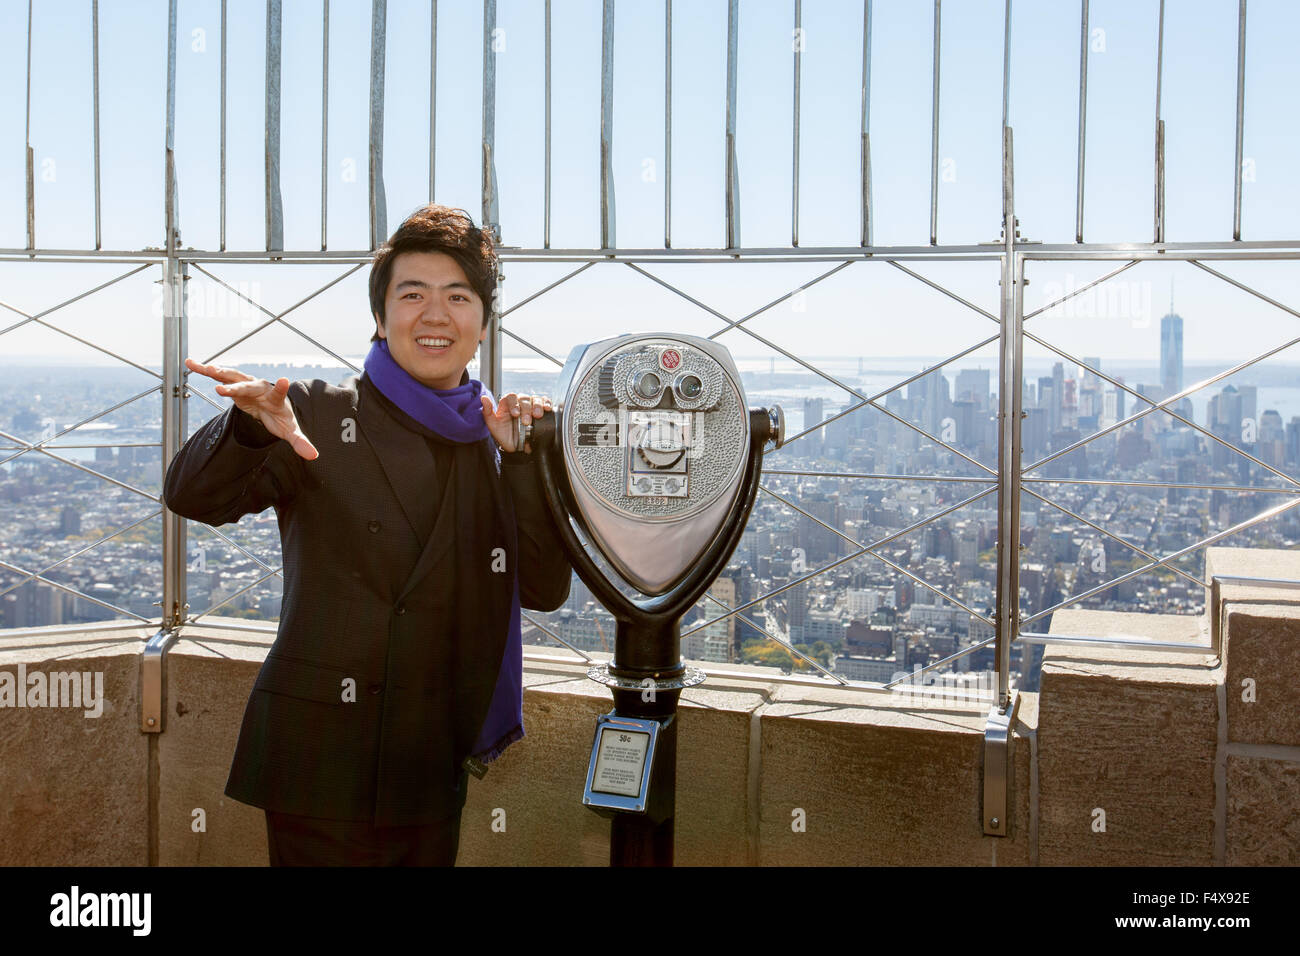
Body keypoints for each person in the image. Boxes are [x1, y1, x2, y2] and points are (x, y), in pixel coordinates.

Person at [162, 204, 572, 866]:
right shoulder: (321, 411)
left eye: (457, 297)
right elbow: (192, 497)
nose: (434, 315)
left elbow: (545, 589)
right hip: (319, 756)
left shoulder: (494, 435)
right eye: (412, 295)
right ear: (381, 319)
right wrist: (246, 428)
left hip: (429, 762)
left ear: (482, 324)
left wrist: (526, 464)